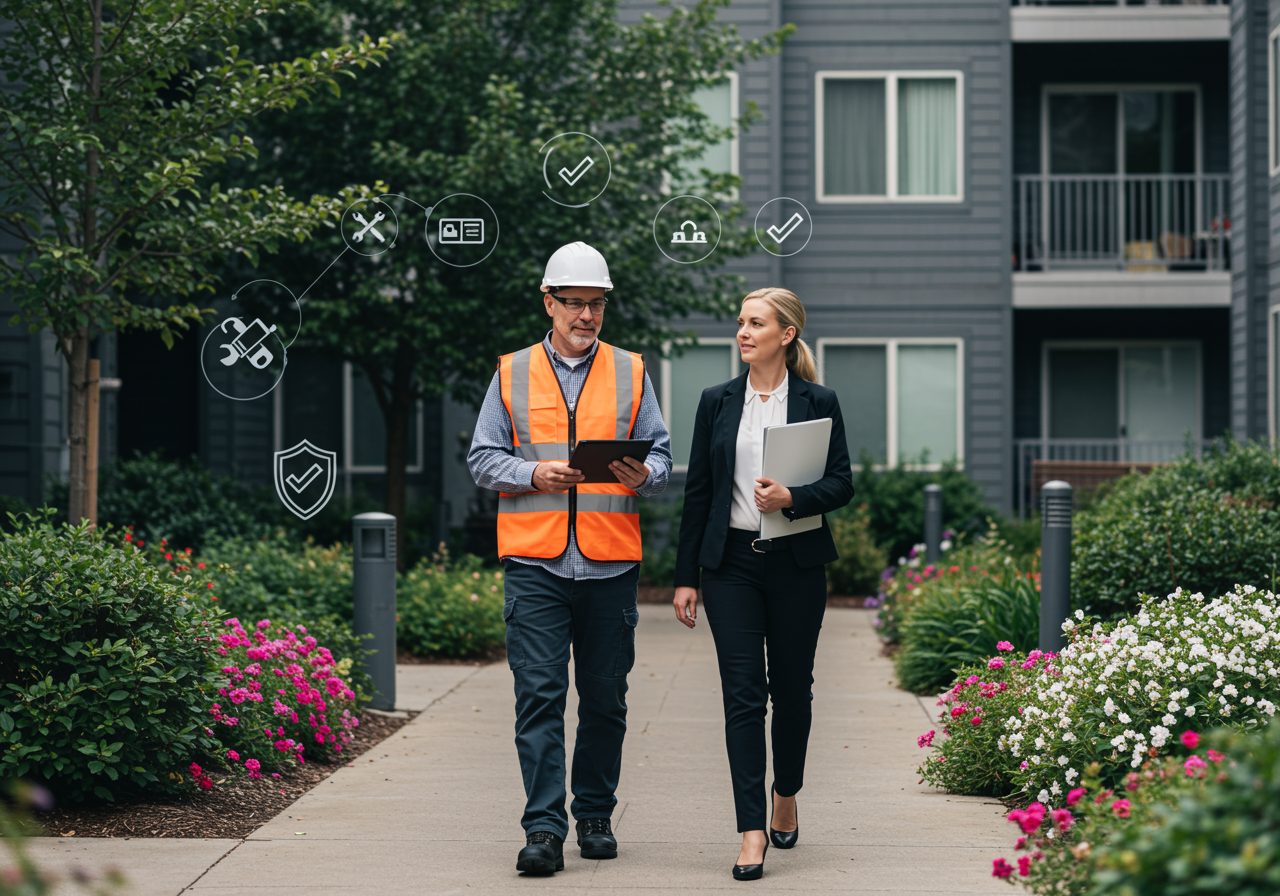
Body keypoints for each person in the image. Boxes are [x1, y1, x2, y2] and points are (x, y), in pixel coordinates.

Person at [468, 241, 673, 875]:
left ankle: (594, 816)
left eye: (597, 304)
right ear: (548, 301)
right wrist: (534, 473)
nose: (586, 315)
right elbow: (481, 459)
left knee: (606, 699)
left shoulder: (632, 371)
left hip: (610, 567)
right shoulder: (512, 373)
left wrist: (644, 476)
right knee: (540, 697)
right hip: (536, 568)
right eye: (575, 303)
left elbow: (662, 457)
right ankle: (543, 829)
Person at [672, 287, 853, 881]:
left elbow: (842, 483)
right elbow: (698, 492)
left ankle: (786, 793)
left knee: (792, 693)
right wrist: (685, 578)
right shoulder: (717, 401)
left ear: (786, 334)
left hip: (797, 564)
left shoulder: (816, 400)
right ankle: (752, 830)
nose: (743, 333)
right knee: (743, 697)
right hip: (731, 568)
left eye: (756, 323)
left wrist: (793, 498)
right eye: (741, 323)